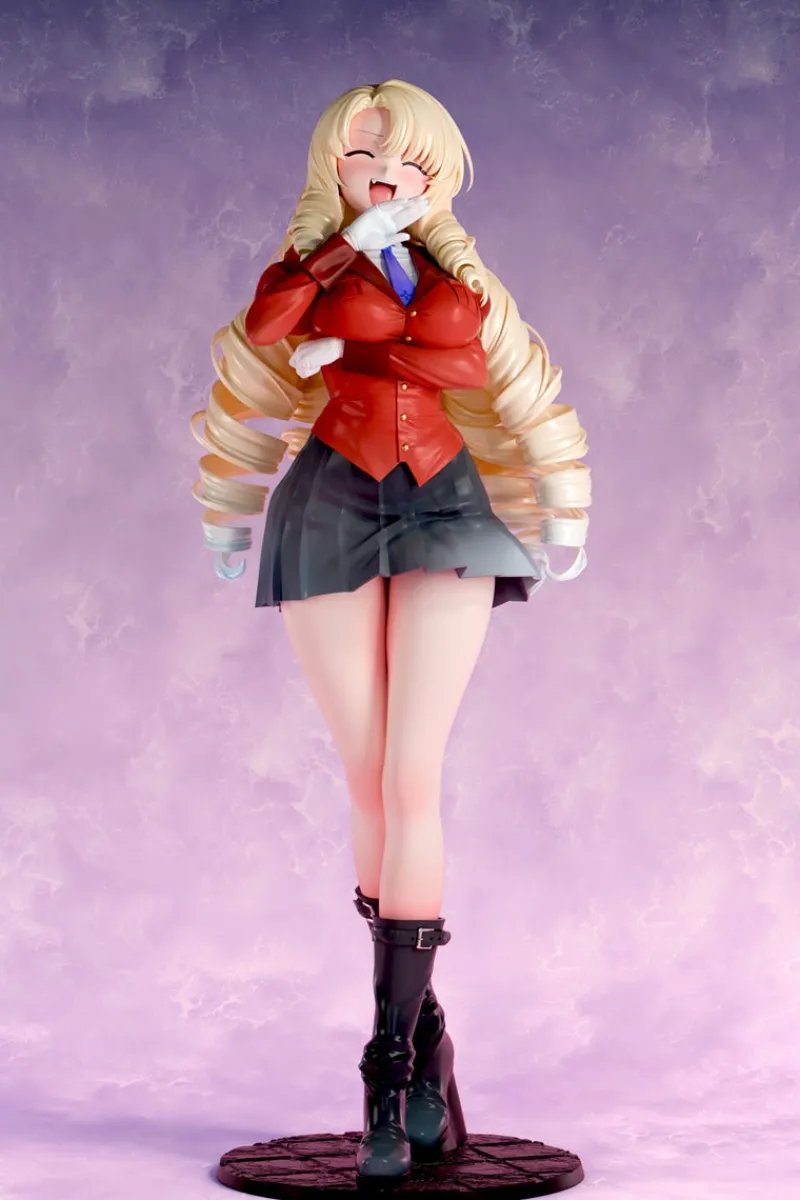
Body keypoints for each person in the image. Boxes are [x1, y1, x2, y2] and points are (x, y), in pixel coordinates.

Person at [191, 79, 592, 1184]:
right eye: (364, 158)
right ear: (331, 166)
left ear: (441, 171)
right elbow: (257, 346)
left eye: (410, 161)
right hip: (329, 499)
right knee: (368, 778)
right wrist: (228, 505)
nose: (387, 176)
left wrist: (563, 499)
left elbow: (508, 377)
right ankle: (420, 1044)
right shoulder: (310, 270)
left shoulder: (461, 276)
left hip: (446, 502)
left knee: (413, 774)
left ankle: (390, 1063)